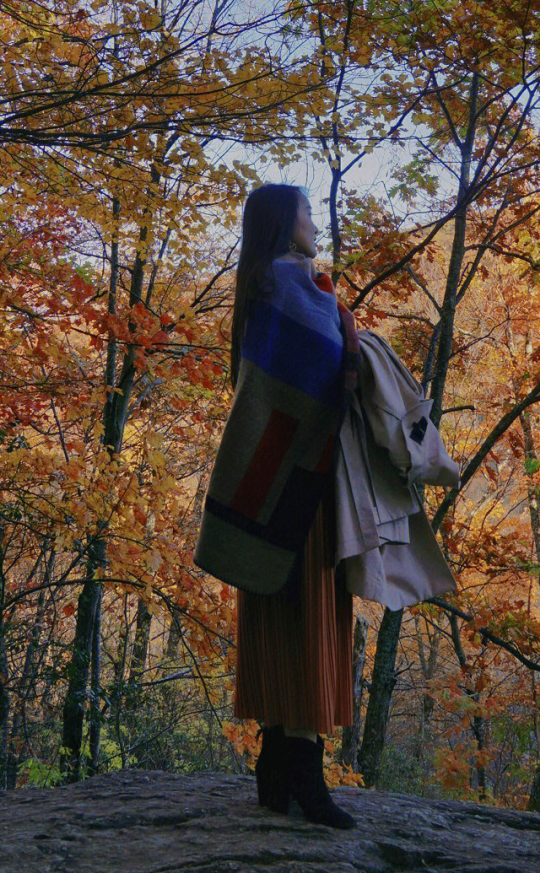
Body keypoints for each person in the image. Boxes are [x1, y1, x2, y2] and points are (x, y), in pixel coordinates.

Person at [193, 183, 357, 829]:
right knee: (308, 617)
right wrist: (348, 328)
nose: (316, 223)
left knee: (285, 615)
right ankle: (305, 776)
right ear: (284, 224)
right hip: (303, 486)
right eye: (307, 212)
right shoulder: (287, 292)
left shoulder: (272, 288)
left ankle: (278, 764)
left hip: (279, 485)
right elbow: (319, 378)